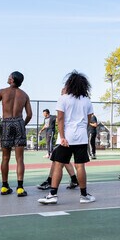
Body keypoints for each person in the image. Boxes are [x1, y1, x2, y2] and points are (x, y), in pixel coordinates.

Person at [38, 71, 96, 205]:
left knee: (58, 165)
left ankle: (52, 195)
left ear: (69, 84)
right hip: (81, 137)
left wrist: (62, 136)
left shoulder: (63, 98)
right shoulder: (87, 100)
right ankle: (84, 195)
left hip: (66, 138)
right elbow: (88, 120)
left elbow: (60, 119)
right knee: (80, 166)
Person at [0, 71, 32, 197]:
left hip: (6, 123)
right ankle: (20, 188)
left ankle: (4, 186)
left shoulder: (2, 92)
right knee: (20, 159)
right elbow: (29, 115)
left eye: (9, 76)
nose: (8, 78)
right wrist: (23, 124)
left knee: (5, 158)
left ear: (12, 79)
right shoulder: (24, 95)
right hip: (19, 123)